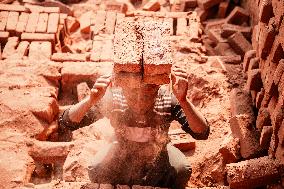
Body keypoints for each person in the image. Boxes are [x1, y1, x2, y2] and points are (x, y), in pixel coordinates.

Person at [58, 65, 209, 189]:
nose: (138, 102)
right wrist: (91, 100)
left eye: (146, 94)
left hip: (159, 150)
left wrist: (184, 101)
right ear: (122, 89)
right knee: (96, 169)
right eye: (132, 93)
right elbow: (67, 122)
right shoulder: (113, 100)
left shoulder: (167, 100)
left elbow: (202, 132)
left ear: (157, 90)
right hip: (121, 148)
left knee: (181, 171)